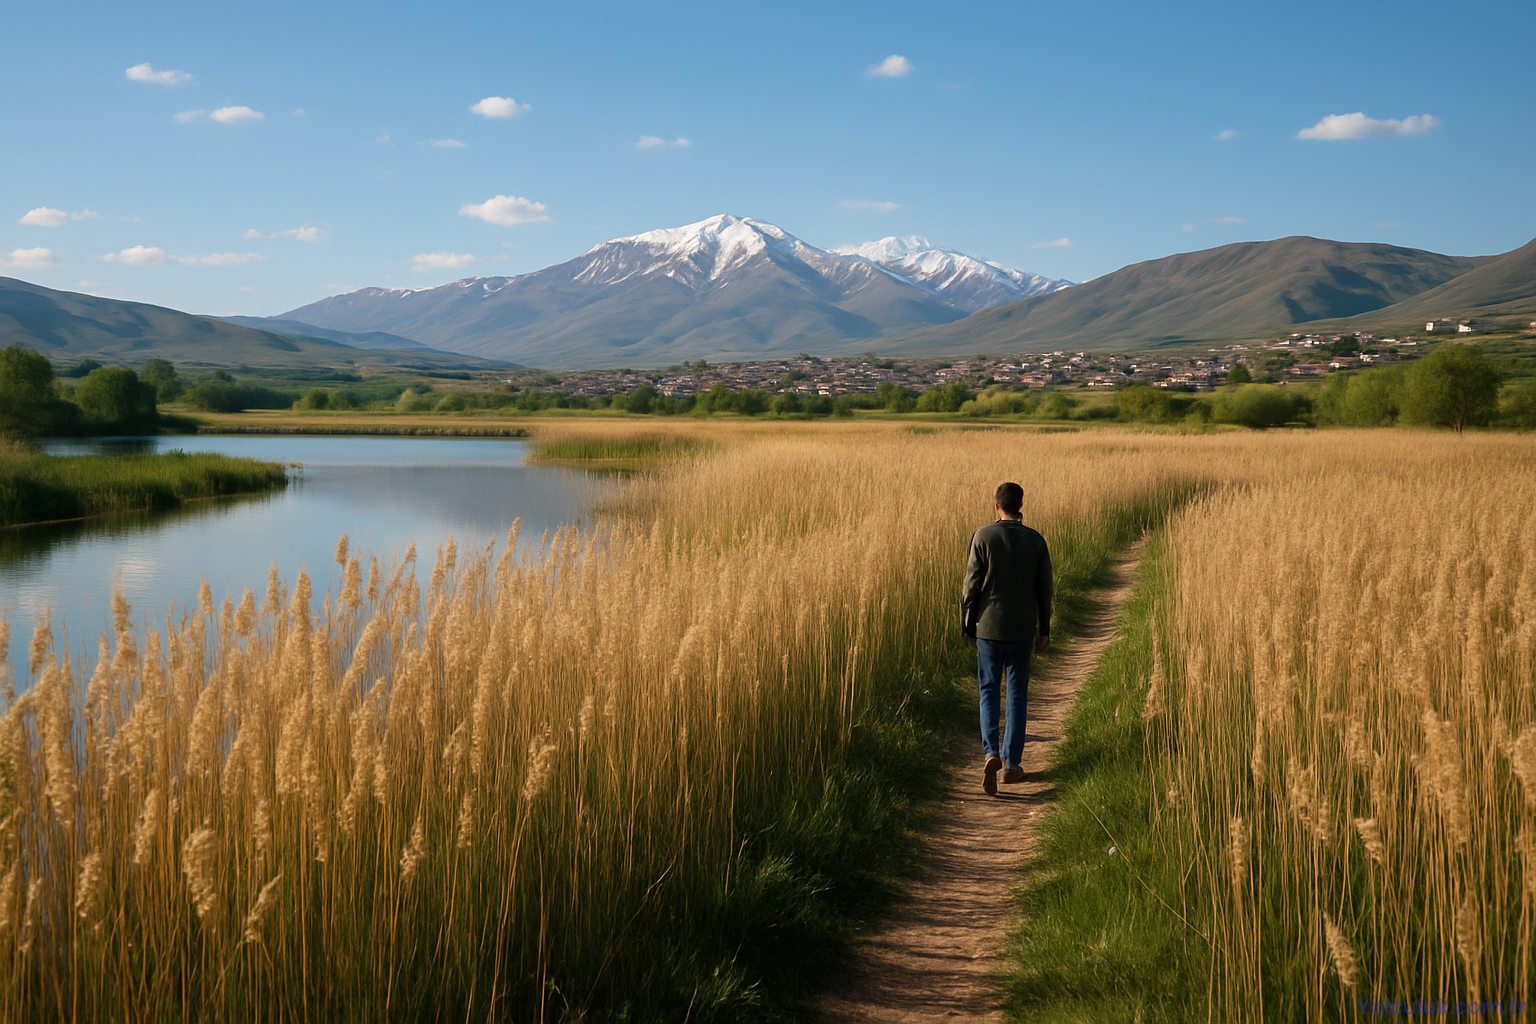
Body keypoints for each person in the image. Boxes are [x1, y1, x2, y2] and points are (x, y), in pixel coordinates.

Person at [961, 481, 1053, 796]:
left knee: (988, 691)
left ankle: (991, 754)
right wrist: (1045, 628)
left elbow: (971, 585)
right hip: (1022, 629)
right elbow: (1045, 590)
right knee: (1016, 694)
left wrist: (967, 622)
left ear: (996, 506)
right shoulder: (1036, 541)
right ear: (1020, 507)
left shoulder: (982, 536)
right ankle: (1012, 766)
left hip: (988, 629)